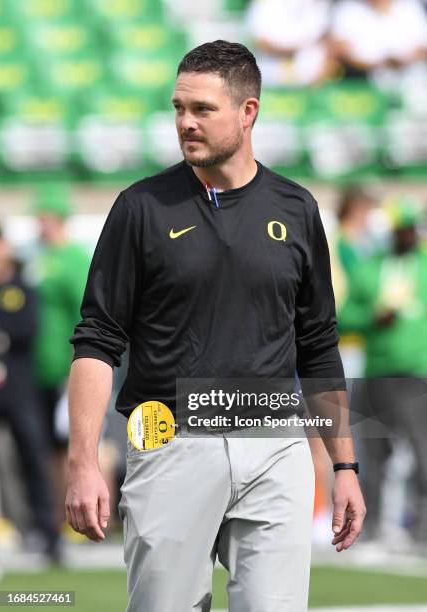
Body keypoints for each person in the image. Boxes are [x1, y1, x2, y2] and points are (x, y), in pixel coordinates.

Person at [66, 41, 365, 612]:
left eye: (202, 109)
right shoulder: (140, 208)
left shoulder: (297, 209)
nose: (185, 123)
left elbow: (319, 347)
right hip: (167, 441)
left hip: (275, 447)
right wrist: (83, 461)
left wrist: (345, 466)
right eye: (179, 108)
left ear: (248, 112)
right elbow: (97, 341)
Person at [339, 197, 427, 550]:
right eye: (398, 230)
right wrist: (372, 319)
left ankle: (422, 528)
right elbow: (344, 316)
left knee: (422, 452)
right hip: (376, 371)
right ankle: (370, 526)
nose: (404, 236)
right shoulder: (370, 267)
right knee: (371, 453)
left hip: (416, 373)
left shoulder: (424, 265)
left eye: (408, 229)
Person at [29, 184, 91, 528]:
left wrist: (77, 366)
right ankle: (51, 520)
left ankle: (80, 517)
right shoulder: (37, 256)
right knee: (44, 447)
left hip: (68, 369)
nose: (42, 224)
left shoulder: (75, 257)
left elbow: (86, 314)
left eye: (47, 217)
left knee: (73, 445)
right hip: (38, 369)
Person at [0, 224, 61, 561]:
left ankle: (48, 535)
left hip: (21, 389)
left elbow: (27, 328)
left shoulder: (22, 286)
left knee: (34, 460)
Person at [331, 0, 427, 85]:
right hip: (363, 83)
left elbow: (423, 47)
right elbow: (340, 52)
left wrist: (405, 60)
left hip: (413, 82)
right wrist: (380, 64)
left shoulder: (410, 6)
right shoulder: (348, 9)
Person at [246, 0, 336, 86]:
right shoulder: (266, 4)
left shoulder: (321, 4)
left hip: (310, 81)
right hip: (270, 79)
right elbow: (261, 42)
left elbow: (327, 40)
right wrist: (299, 50)